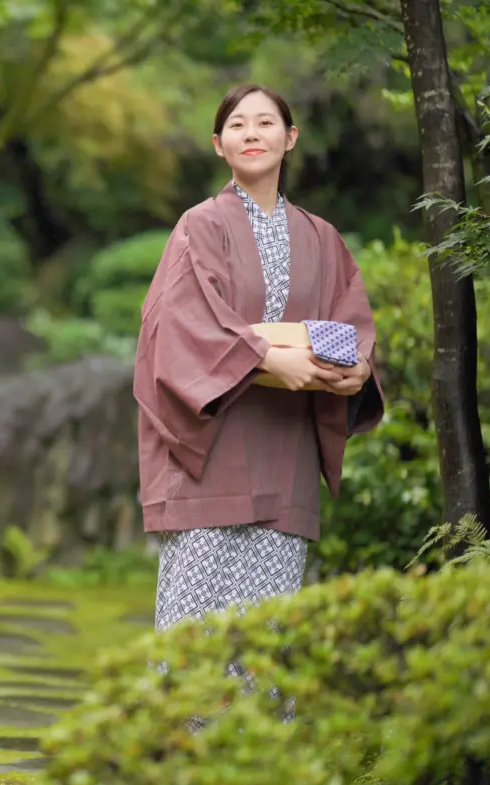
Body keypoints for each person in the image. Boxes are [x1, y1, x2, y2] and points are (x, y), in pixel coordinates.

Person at [133, 83, 385, 643]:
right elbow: (179, 330)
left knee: (268, 642)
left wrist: (358, 370)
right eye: (238, 125)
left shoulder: (323, 239)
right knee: (194, 639)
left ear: (290, 138)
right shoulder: (199, 226)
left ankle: (261, 734)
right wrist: (272, 359)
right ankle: (186, 735)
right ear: (219, 144)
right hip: (209, 458)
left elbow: (351, 333)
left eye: (266, 123)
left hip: (284, 458)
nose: (252, 133)